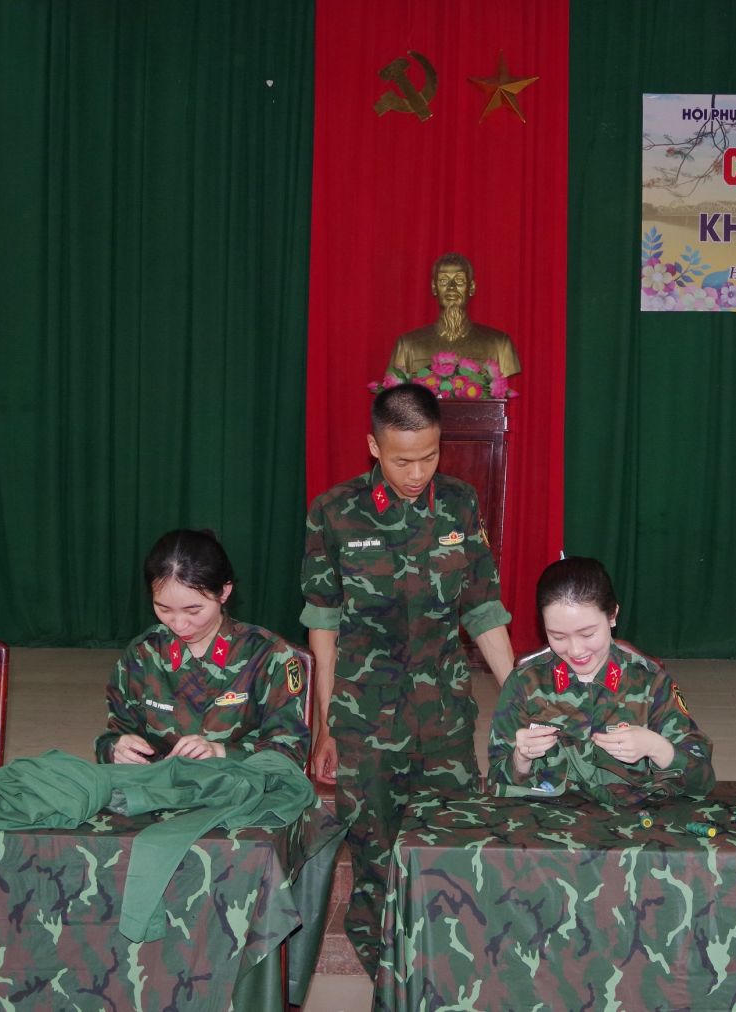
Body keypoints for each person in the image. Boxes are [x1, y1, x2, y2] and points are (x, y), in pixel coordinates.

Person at [300, 381, 516, 977]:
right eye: (402, 460)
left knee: (452, 844)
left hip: (444, 715)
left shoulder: (460, 504)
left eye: (429, 456)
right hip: (365, 718)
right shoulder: (334, 512)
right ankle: (385, 978)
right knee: (374, 855)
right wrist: (325, 726)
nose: (418, 473)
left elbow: (483, 607)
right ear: (374, 446)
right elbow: (323, 624)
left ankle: (448, 972)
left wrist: (522, 695)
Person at [487, 556, 714, 802]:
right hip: (548, 819)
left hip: (629, 819)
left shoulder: (650, 683)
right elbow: (496, 783)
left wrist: (656, 747)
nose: (575, 650)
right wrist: (520, 759)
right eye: (558, 636)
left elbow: (702, 780)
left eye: (587, 634)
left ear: (612, 615)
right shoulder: (525, 683)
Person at [95, 529, 309, 767]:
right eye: (164, 609)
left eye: (193, 610)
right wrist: (115, 749)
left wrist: (221, 752)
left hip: (237, 785)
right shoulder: (143, 654)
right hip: (160, 785)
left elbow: (290, 752)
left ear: (224, 592)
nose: (179, 624)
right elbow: (114, 735)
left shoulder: (268, 656)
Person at [387, 252, 522, 378]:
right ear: (434, 287)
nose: (451, 287)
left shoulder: (499, 345)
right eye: (443, 281)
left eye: (459, 280)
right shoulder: (408, 345)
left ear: (472, 287)